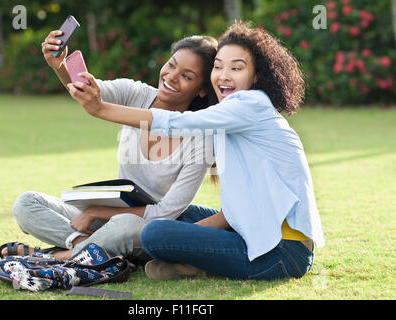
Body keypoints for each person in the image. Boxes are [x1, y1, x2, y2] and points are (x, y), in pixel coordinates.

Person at [66, 21, 325, 281]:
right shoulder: (228, 119)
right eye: (218, 66)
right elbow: (233, 210)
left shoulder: (250, 105)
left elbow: (176, 122)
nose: (224, 75)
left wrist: (101, 109)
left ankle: (190, 262)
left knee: (154, 233)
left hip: (283, 251)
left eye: (236, 68)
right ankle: (187, 260)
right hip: (251, 230)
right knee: (181, 216)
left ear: (256, 76)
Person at [0, 32, 218, 262]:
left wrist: (95, 212)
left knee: (125, 227)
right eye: (171, 65)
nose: (171, 77)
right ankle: (84, 249)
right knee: (26, 203)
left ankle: (54, 256)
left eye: (187, 76)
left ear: (202, 89)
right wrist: (59, 65)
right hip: (106, 218)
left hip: (140, 227)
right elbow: (89, 93)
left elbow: (165, 214)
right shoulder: (137, 94)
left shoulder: (200, 140)